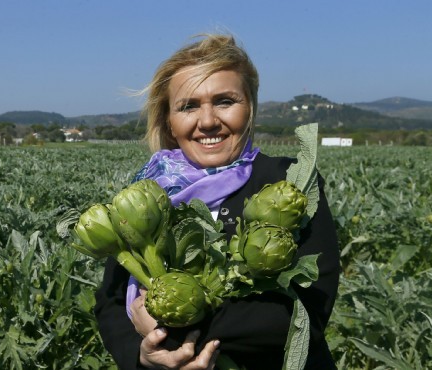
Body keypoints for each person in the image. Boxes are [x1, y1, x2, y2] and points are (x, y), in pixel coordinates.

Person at [93, 34, 340, 370]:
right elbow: (110, 301)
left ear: (250, 107)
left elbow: (310, 307)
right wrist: (143, 356)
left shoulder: (287, 183)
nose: (207, 121)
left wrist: (174, 332)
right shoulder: (148, 193)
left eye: (225, 101)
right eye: (188, 106)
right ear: (168, 118)